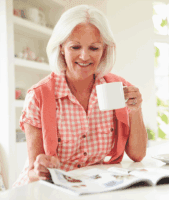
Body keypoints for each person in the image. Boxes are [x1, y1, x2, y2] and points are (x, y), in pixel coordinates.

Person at [13, 5, 147, 188]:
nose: (84, 56)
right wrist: (40, 170)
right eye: (75, 47)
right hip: (44, 190)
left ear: (104, 50)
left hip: (90, 188)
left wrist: (135, 109)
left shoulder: (117, 88)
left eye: (94, 48)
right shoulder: (39, 96)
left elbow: (137, 155)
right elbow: (32, 172)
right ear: (61, 48)